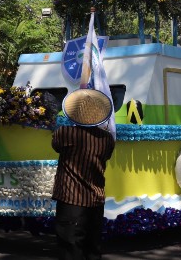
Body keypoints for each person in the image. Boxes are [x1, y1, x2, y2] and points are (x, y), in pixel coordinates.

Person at [52, 89, 115, 260]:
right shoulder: (107, 139)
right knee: (92, 247)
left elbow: (56, 146)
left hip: (70, 199)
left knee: (70, 247)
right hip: (95, 198)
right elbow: (107, 156)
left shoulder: (65, 133)